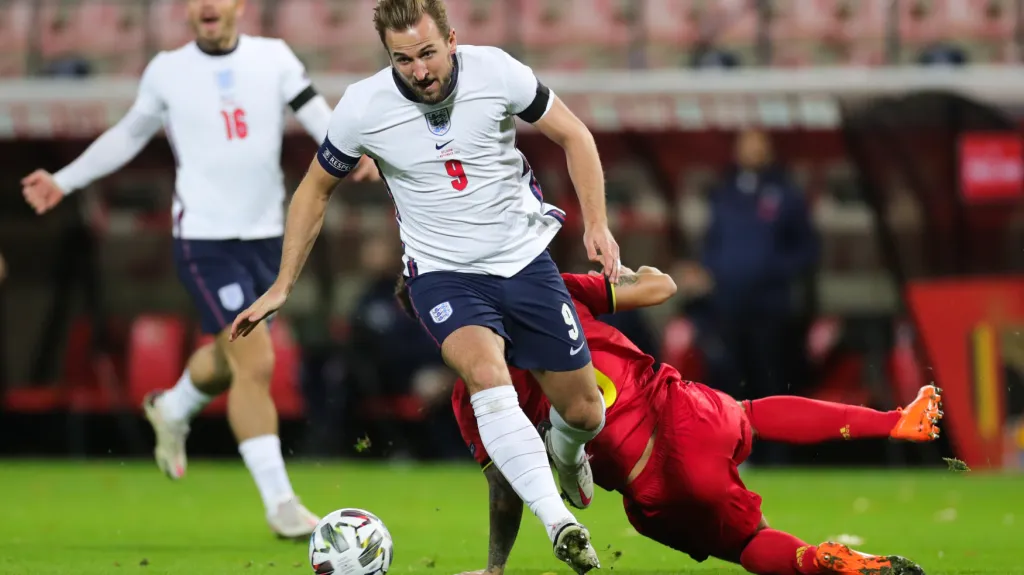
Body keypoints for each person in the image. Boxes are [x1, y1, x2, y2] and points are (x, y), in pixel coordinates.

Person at [230, 1, 618, 572]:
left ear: (452, 40)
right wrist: (284, 284)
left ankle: (565, 455)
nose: (419, 70)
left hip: (524, 261)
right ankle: (559, 522)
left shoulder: (499, 72)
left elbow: (575, 136)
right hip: (442, 273)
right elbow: (314, 190)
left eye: (428, 53)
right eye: (403, 59)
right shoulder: (363, 107)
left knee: (585, 412)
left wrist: (599, 226)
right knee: (486, 375)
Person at [20, 0, 376, 539]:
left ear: (239, 6)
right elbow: (128, 135)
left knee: (229, 357)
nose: (207, 5)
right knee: (254, 360)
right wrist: (64, 180)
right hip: (204, 241)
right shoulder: (168, 69)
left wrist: (350, 152)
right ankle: (281, 503)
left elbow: (314, 112)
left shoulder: (272, 57)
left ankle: (175, 405)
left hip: (266, 238)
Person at [427, 267, 937, 575]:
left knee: (746, 541)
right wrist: (629, 267)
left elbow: (504, 488)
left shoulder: (472, 396)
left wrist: (495, 568)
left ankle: (813, 562)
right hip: (682, 415)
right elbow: (660, 288)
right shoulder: (550, 288)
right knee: (749, 414)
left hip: (647, 484)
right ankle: (895, 420)